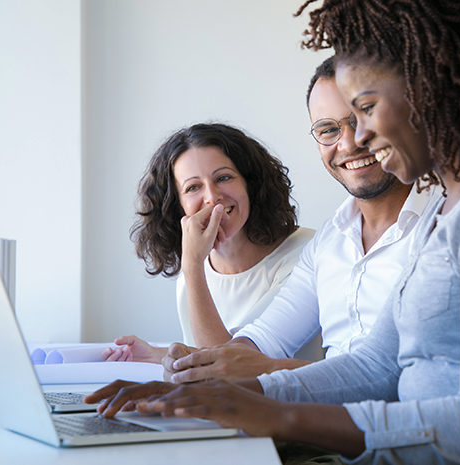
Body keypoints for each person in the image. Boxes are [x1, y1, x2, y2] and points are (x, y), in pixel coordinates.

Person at [87, 1, 460, 463]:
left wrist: (277, 416)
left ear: (429, 89)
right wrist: (246, 397)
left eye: (366, 108)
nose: (362, 135)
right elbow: (376, 366)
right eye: (341, 121)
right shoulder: (446, 210)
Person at [154, 57, 440, 383]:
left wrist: (251, 367)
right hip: (322, 425)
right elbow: (260, 344)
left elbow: (400, 379)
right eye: (329, 129)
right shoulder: (328, 243)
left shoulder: (443, 222)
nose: (348, 143)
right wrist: (197, 362)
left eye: (362, 118)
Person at [103, 123, 315, 364]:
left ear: (251, 184)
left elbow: (225, 369)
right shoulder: (193, 273)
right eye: (193, 187)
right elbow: (205, 355)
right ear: (177, 205)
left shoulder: (307, 253)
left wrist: (192, 264)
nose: (212, 197)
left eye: (223, 178)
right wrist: (156, 355)